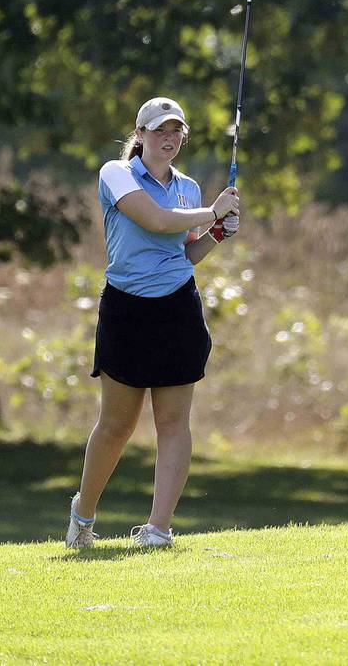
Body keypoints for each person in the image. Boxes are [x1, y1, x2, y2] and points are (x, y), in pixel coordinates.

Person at [65, 96, 240, 549]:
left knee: (174, 422)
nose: (169, 138)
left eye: (176, 130)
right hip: (127, 308)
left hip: (178, 307)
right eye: (160, 129)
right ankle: (83, 515)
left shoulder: (189, 188)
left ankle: (158, 529)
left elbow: (185, 251)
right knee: (117, 425)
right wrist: (213, 214)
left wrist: (217, 234)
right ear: (139, 134)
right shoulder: (116, 173)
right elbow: (156, 220)